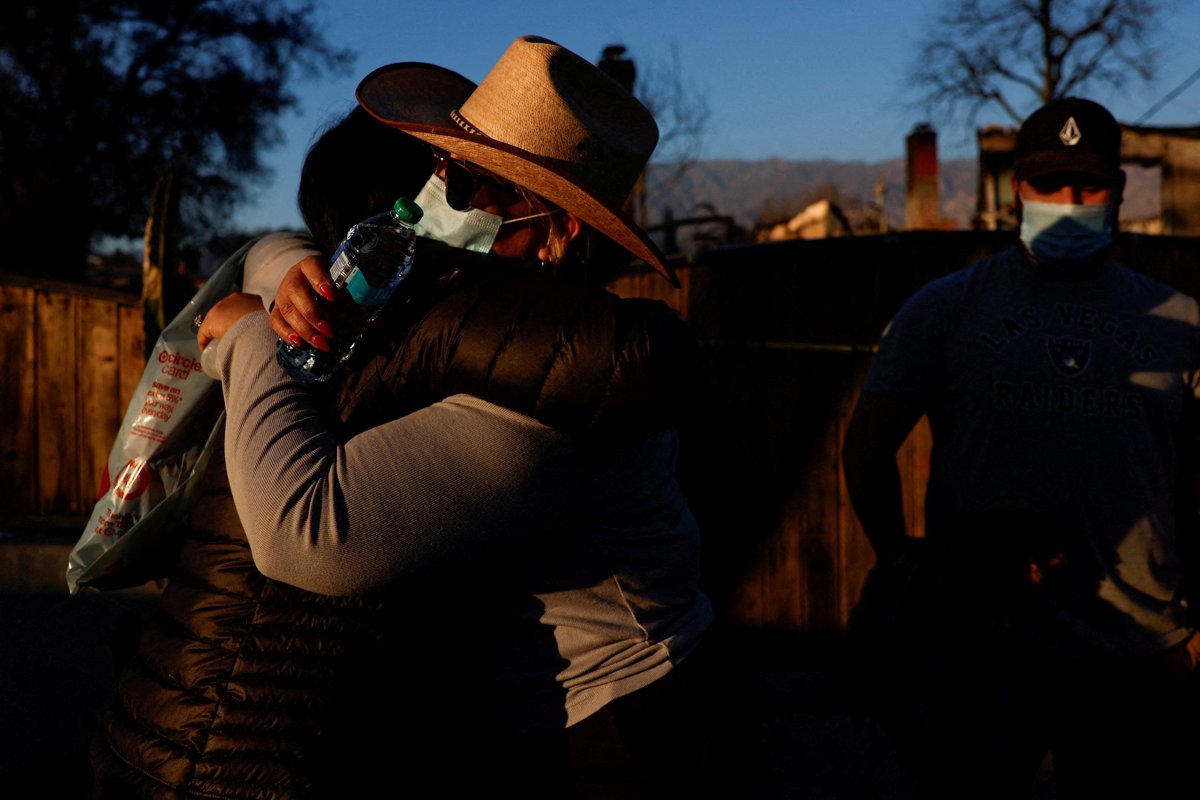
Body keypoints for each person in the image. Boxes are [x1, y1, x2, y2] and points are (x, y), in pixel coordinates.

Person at [193, 36, 712, 797]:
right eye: (441, 164)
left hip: (616, 730)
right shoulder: (487, 315)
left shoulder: (556, 378)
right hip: (539, 716)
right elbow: (283, 244)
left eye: (474, 182)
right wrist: (287, 277)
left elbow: (307, 532)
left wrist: (248, 336)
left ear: (559, 233)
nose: (434, 196)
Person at [842, 97, 1200, 799]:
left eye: (1090, 184)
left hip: (1138, 650)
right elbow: (868, 443)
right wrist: (907, 568)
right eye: (1048, 182)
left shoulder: (1181, 322)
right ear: (1018, 189)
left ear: (1122, 190)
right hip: (988, 642)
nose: (1069, 201)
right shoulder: (945, 308)